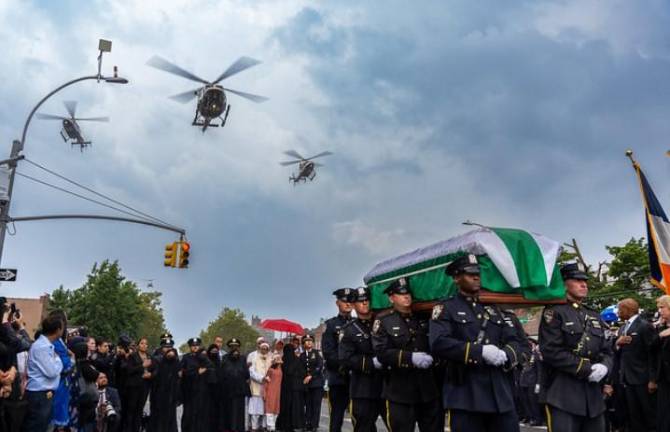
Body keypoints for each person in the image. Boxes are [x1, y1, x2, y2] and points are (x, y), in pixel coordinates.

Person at [429, 254, 524, 432]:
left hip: (500, 394)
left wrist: (507, 354)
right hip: (466, 395)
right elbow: (439, 342)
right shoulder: (446, 308)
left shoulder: (494, 308)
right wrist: (479, 352)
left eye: (478, 273)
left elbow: (515, 340)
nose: (476, 277)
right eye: (469, 273)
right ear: (456, 278)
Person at [538, 262, 614, 432]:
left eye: (585, 280)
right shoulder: (554, 312)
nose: (583, 284)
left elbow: (607, 350)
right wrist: (587, 369)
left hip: (593, 398)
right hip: (564, 394)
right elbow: (551, 350)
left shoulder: (593, 315)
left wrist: (604, 366)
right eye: (577, 280)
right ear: (564, 284)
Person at [372, 277, 441, 432]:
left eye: (408, 292)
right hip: (400, 391)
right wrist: (410, 358)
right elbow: (381, 352)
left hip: (427, 389)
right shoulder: (383, 320)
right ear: (391, 298)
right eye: (400, 293)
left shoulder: (424, 316)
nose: (406, 296)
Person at [338, 287, 385, 432]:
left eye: (367, 300)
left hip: (386, 386)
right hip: (362, 388)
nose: (364, 303)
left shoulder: (383, 323)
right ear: (353, 305)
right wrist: (372, 363)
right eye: (360, 301)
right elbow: (346, 358)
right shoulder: (348, 330)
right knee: (363, 427)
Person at [615, 298, 657, 432]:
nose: (618, 313)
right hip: (627, 379)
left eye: (620, 309)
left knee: (648, 414)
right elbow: (617, 351)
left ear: (628, 309)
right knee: (633, 415)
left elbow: (653, 354)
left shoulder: (645, 326)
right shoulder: (622, 328)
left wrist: (652, 379)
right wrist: (617, 343)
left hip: (643, 379)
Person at [21, 315, 64, 432]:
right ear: (58, 330)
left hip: (44, 395)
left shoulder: (46, 345)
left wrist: (55, 359)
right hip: (39, 395)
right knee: (35, 427)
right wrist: (58, 360)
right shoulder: (42, 347)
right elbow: (52, 372)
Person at [322, 288, 354, 432]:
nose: (348, 304)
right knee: (336, 418)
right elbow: (328, 353)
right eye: (344, 301)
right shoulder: (330, 325)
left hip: (357, 379)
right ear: (337, 303)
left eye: (350, 301)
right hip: (338, 378)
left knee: (360, 417)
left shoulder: (358, 322)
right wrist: (347, 364)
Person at [48, 310, 73, 431]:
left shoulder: (61, 341)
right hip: (57, 384)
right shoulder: (54, 342)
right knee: (53, 421)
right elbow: (64, 364)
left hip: (63, 384)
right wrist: (71, 359)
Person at [147, 337, 180, 432]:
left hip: (171, 393)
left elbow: (178, 374)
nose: (168, 349)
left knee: (171, 416)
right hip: (158, 392)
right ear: (162, 348)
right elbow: (153, 373)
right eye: (166, 347)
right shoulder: (157, 359)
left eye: (170, 347)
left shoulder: (175, 360)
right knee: (157, 417)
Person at [222, 338, 250, 432]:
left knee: (239, 411)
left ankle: (239, 428)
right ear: (229, 348)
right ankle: (229, 428)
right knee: (228, 410)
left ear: (238, 347)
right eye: (232, 347)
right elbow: (223, 373)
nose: (234, 348)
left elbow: (247, 374)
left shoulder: (243, 358)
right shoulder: (225, 358)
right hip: (228, 390)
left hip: (239, 390)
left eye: (236, 346)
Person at [122, 337, 150, 432]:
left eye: (146, 344)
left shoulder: (149, 356)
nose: (144, 345)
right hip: (133, 387)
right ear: (138, 345)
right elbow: (129, 370)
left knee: (139, 411)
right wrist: (142, 366)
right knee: (131, 410)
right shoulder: (133, 356)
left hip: (145, 387)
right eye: (142, 343)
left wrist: (150, 374)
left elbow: (155, 370)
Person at [300, 335, 324, 432]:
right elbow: (300, 368)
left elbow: (319, 366)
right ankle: (308, 423)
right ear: (303, 344)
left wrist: (311, 376)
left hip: (317, 383)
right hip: (306, 385)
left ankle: (314, 425)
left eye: (310, 341)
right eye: (306, 341)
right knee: (308, 405)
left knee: (316, 405)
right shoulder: (301, 355)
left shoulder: (317, 353)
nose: (309, 342)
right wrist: (304, 376)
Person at [277, 337, 300, 432]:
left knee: (283, 406)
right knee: (291, 406)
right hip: (292, 387)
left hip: (283, 387)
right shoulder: (295, 360)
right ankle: (290, 425)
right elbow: (293, 371)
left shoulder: (282, 359)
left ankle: (281, 424)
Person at [249, 341, 273, 431]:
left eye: (266, 349)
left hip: (267, 388)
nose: (264, 350)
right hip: (256, 387)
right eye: (263, 348)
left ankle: (263, 426)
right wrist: (262, 378)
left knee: (265, 409)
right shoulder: (254, 358)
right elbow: (251, 372)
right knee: (255, 410)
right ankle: (254, 426)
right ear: (259, 349)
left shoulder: (271, 359)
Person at [207, 344, 225, 432]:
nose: (214, 353)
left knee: (218, 412)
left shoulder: (220, 363)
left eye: (216, 352)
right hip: (208, 392)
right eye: (212, 351)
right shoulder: (206, 362)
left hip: (219, 392)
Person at [265, 353, 283, 432]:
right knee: (270, 408)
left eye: (279, 361)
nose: (279, 362)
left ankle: (273, 425)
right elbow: (266, 381)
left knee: (276, 408)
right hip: (271, 390)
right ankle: (270, 426)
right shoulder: (270, 370)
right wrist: (265, 392)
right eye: (277, 361)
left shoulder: (281, 369)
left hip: (278, 391)